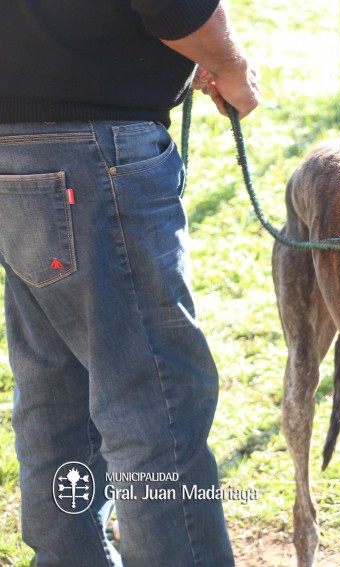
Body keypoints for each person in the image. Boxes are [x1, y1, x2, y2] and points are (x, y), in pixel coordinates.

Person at [0, 1, 259, 565]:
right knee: (156, 402)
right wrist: (232, 69)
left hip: (13, 146)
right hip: (94, 152)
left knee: (55, 394)